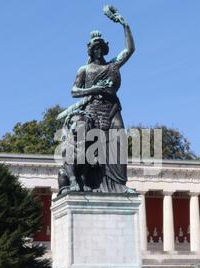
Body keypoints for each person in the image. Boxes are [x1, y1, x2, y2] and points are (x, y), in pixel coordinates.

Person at [57, 5, 136, 194]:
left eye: (101, 48)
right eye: (96, 48)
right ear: (91, 51)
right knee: (93, 148)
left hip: (112, 107)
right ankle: (91, 183)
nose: (99, 50)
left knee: (118, 142)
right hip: (91, 110)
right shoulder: (83, 70)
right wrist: (94, 88)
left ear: (105, 49)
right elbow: (74, 90)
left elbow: (130, 49)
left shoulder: (113, 65)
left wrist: (125, 25)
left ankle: (118, 185)